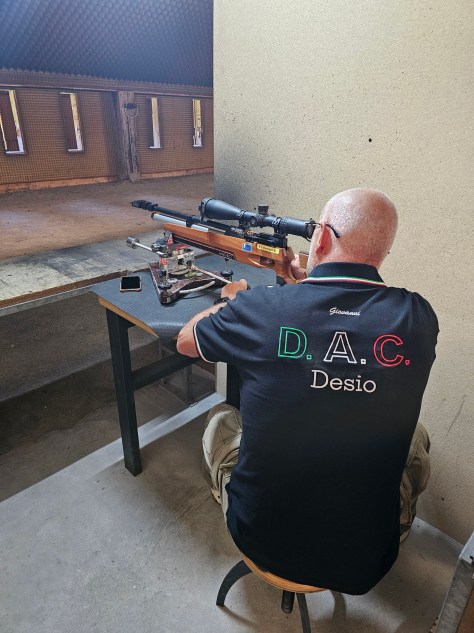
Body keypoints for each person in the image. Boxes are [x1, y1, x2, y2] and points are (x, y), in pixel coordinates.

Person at [177, 188, 437, 595]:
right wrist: (301, 284)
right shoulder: (418, 317)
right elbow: (339, 323)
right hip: (365, 561)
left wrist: (234, 302)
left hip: (260, 540)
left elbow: (186, 341)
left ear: (321, 238)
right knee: (416, 436)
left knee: (220, 420)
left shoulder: (258, 309)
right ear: (383, 250)